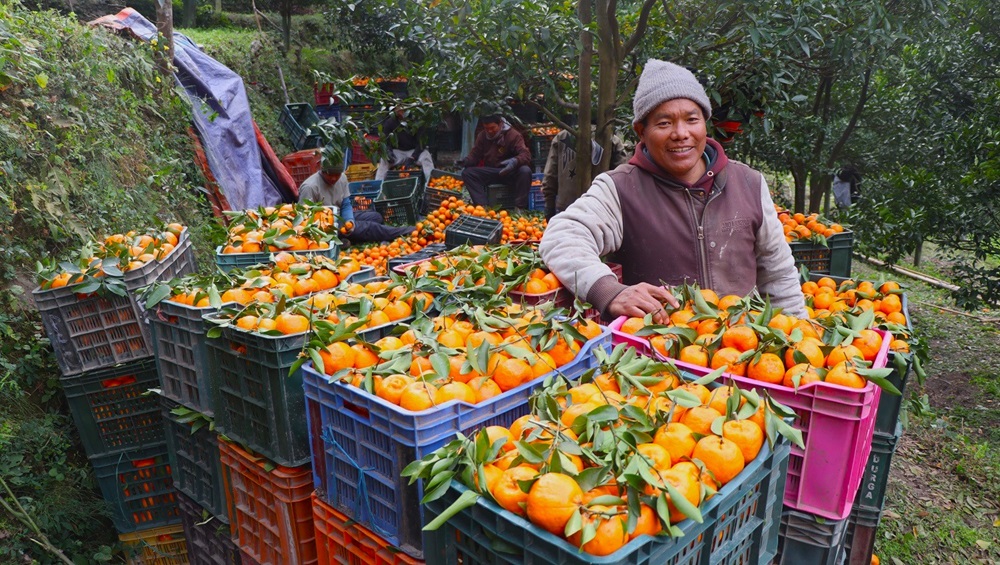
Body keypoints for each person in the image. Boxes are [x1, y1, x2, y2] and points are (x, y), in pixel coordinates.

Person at [539, 59, 807, 322]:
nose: (681, 133)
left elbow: (778, 274)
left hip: (742, 351)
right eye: (664, 123)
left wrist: (798, 336)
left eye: (692, 119)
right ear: (641, 132)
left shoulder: (748, 183)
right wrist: (609, 291)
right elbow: (562, 237)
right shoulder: (620, 188)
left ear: (705, 123)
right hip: (652, 356)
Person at [298, 147, 413, 243]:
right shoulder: (310, 187)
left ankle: (348, 238)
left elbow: (346, 203)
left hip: (340, 217)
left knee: (376, 217)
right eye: (329, 174)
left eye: (336, 174)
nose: (333, 178)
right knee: (371, 227)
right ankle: (407, 231)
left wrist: (350, 221)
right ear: (321, 169)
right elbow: (305, 221)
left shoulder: (342, 178)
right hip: (327, 226)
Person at [542, 127, 629, 220]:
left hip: (567, 207)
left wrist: (549, 205)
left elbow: (550, 175)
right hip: (601, 208)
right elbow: (622, 179)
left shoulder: (562, 137)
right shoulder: (612, 140)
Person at [460, 115, 533, 209]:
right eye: (487, 128)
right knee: (468, 173)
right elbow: (475, 155)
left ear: (500, 124)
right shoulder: (482, 136)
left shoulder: (513, 135)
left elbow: (526, 155)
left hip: (509, 172)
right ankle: (482, 206)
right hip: (493, 171)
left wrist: (514, 161)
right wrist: (465, 161)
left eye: (492, 128)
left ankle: (520, 207)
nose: (490, 131)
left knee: (525, 171)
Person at [374, 106, 435, 182]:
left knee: (426, 156)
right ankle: (378, 186)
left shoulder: (416, 121)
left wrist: (413, 157)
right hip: (398, 152)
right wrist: (388, 152)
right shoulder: (390, 122)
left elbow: (421, 142)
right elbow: (386, 141)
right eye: (398, 109)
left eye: (403, 109)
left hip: (414, 151)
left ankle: (431, 184)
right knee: (384, 160)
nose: (400, 111)